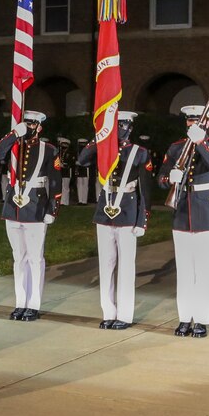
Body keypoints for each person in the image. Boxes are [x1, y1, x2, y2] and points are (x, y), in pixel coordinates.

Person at [77, 112, 153, 329]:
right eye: (114, 126)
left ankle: (125, 315)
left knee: (126, 266)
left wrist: (142, 220)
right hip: (105, 211)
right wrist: (99, 137)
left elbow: (145, 188)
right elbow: (82, 160)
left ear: (129, 128)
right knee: (106, 265)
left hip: (128, 211)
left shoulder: (139, 152)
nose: (118, 130)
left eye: (120, 126)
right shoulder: (102, 148)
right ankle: (108, 312)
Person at [158, 103, 209, 338]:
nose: (192, 124)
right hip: (181, 215)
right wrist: (170, 178)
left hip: (206, 216)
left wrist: (200, 143)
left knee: (204, 270)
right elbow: (160, 178)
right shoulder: (176, 147)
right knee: (185, 271)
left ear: (206, 123)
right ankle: (184, 318)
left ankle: (201, 320)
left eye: (197, 120)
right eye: (189, 120)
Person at [0, 111, 62, 321]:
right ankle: (20, 302)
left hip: (36, 207)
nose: (28, 126)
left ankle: (33, 304)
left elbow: (56, 182)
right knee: (18, 258)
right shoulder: (14, 147)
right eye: (26, 123)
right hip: (13, 207)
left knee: (34, 258)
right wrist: (14, 133)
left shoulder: (48, 150)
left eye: (32, 124)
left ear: (39, 127)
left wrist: (52, 209)